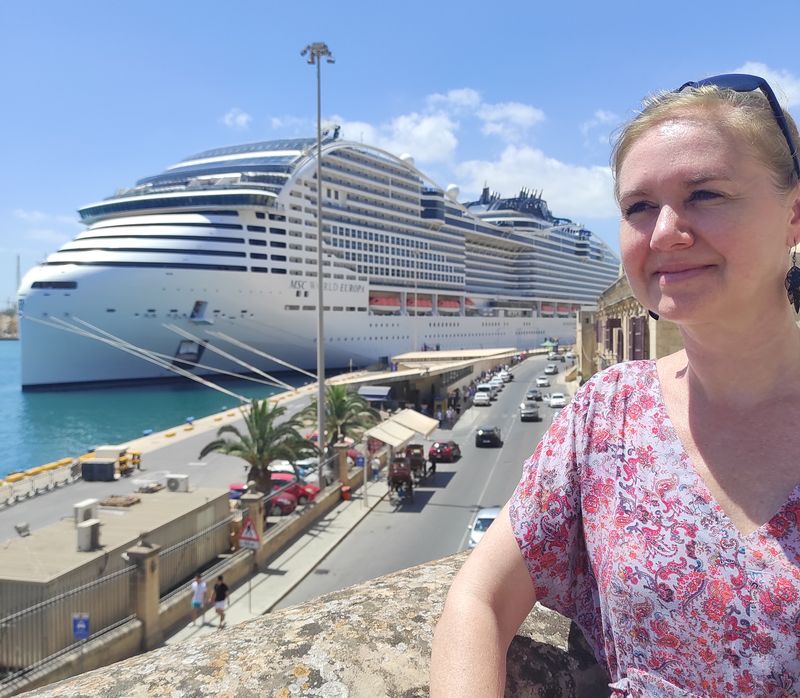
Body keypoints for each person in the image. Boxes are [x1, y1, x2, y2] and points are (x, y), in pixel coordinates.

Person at [431, 73, 800, 696]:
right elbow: (478, 596)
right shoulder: (609, 412)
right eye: (638, 207)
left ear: (794, 215)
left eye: (706, 194)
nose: (665, 232)